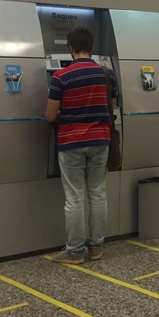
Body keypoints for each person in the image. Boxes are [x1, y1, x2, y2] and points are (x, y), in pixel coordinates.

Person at [45, 27, 119, 264]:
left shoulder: (60, 77)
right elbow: (112, 106)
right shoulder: (108, 74)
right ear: (92, 47)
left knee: (75, 197)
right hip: (101, 139)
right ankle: (96, 248)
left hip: (71, 141)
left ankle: (75, 251)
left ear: (70, 48)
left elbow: (50, 115)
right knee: (98, 194)